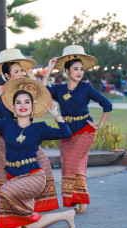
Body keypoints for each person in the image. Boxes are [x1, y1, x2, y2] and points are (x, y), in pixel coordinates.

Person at [0, 78, 75, 228]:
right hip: (14, 177)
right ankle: (66, 215)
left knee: (4, 191)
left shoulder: (39, 128)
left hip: (34, 177)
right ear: (13, 107)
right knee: (30, 227)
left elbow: (66, 133)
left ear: (33, 106)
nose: (23, 106)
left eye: (27, 102)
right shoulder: (6, 124)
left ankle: (5, 227)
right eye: (19, 102)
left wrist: (55, 113)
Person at [43, 45, 113, 214]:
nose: (79, 72)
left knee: (72, 164)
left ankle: (81, 200)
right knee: (73, 164)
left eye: (81, 69)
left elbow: (107, 104)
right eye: (75, 69)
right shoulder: (59, 89)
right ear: (67, 71)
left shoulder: (86, 87)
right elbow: (42, 92)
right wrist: (49, 69)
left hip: (85, 130)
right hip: (66, 132)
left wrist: (101, 124)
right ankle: (75, 199)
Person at [0, 49, 59, 212]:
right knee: (11, 175)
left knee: (43, 166)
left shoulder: (24, 89)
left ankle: (32, 206)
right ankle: (13, 210)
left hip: (27, 137)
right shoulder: (4, 94)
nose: (21, 74)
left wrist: (47, 69)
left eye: (22, 70)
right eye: (16, 71)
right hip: (9, 142)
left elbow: (42, 97)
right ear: (7, 75)